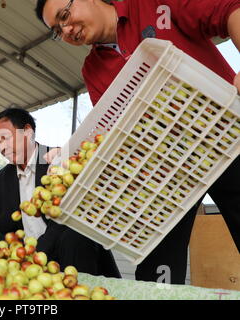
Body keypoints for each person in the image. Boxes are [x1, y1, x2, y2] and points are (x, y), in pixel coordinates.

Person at [35, 0, 240, 284]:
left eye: (65, 15)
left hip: (228, 136)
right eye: (58, 30)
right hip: (166, 175)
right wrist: (74, 159)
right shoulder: (93, 69)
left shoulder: (151, 4)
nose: (67, 30)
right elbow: (114, 133)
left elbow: (229, 10)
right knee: (157, 273)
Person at [0, 108, 121, 278]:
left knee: (74, 235)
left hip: (61, 249)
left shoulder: (59, 159)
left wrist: (38, 251)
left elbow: (72, 214)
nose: (2, 147)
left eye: (6, 138)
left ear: (28, 132)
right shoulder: (4, 177)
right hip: (24, 250)